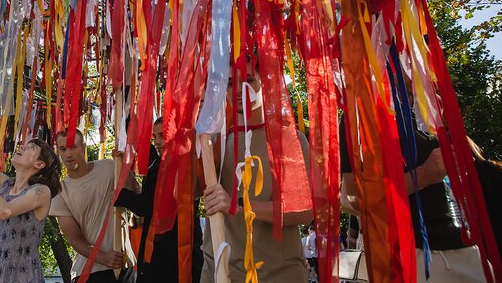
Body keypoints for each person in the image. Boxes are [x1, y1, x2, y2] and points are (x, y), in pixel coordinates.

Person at [201, 69, 313, 282]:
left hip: (280, 274)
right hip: (220, 273)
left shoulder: (290, 140)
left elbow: (304, 213)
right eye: (232, 83)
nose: (241, 90)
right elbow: (189, 192)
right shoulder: (213, 142)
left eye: (249, 80)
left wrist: (240, 206)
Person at [340, 122, 486, 282]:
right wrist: (422, 174)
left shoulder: (432, 105)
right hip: (412, 255)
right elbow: (355, 199)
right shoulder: (360, 111)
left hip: (468, 248)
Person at [115, 118, 204, 282]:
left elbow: (153, 205)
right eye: (153, 137)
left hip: (179, 249)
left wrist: (123, 198)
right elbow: (143, 194)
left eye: (162, 136)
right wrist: (125, 165)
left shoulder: (183, 163)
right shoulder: (157, 164)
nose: (156, 141)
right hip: (156, 252)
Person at [0, 137, 62, 283]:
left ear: (39, 163)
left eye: (31, 147)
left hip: (22, 276)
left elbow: (4, 211)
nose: (22, 146)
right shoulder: (4, 183)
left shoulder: (42, 192)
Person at [50, 128, 138, 283]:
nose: (68, 154)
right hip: (89, 272)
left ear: (83, 147)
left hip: (125, 266)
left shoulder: (110, 167)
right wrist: (104, 257)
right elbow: (75, 239)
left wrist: (124, 164)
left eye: (73, 147)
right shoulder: (60, 192)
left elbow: (136, 194)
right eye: (63, 149)